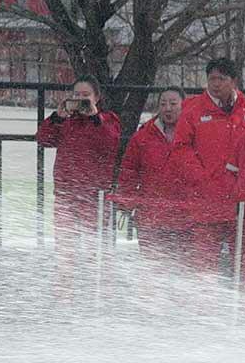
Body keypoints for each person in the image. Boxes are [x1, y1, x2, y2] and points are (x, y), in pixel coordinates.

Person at [170, 56, 245, 271]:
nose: (216, 84)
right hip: (206, 200)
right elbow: (181, 149)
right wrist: (200, 178)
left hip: (242, 202)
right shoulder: (193, 110)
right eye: (212, 79)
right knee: (203, 266)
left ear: (234, 81)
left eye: (222, 79)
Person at [36, 76, 122, 230]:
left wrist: (95, 118)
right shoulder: (66, 121)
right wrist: (57, 117)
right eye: (76, 95)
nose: (81, 99)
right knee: (65, 245)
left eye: (86, 95)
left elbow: (111, 144)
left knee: (93, 243)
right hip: (66, 192)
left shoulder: (108, 119)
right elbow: (43, 139)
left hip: (95, 194)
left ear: (96, 98)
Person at [117, 87, 185, 260]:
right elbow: (129, 170)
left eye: (173, 103)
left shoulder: (194, 134)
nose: (168, 108)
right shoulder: (143, 136)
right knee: (151, 268)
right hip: (151, 216)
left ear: (184, 105)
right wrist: (127, 198)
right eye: (163, 104)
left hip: (184, 217)